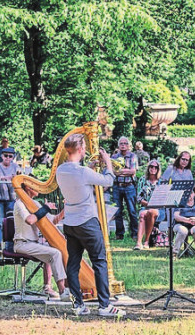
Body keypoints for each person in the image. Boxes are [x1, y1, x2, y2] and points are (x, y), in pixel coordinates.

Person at [56, 133, 125, 317]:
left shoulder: (61, 171)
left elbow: (77, 177)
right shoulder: (84, 172)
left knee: (73, 264)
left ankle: (78, 305)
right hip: (87, 221)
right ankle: (104, 306)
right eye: (85, 148)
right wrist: (108, 163)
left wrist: (89, 168)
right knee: (99, 262)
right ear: (80, 150)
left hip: (70, 223)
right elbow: (108, 181)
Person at [13, 184, 71, 301]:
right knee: (55, 253)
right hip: (22, 244)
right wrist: (45, 208)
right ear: (29, 188)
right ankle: (62, 291)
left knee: (57, 251)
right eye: (36, 186)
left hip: (32, 243)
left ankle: (64, 287)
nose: (39, 189)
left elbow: (53, 220)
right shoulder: (19, 204)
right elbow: (30, 220)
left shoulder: (35, 204)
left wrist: (66, 208)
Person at [0, 147, 20, 249]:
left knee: (11, 222)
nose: (8, 158)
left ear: (13, 157)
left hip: (11, 199)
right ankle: (0, 245)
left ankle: (9, 245)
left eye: (10, 156)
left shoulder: (16, 166)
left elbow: (19, 178)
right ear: (2, 156)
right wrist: (9, 178)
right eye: (5, 156)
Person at [134, 160, 166, 250]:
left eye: (156, 167)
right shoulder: (142, 180)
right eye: (151, 166)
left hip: (159, 209)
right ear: (148, 168)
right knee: (142, 214)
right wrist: (149, 204)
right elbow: (139, 198)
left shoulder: (162, 181)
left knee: (152, 212)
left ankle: (146, 241)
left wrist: (154, 204)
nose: (153, 169)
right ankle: (138, 243)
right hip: (146, 206)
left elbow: (164, 198)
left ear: (158, 169)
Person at [111, 136, 139, 240]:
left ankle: (135, 233)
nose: (123, 145)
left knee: (132, 211)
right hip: (117, 186)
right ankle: (119, 234)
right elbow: (113, 172)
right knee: (117, 211)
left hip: (129, 186)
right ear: (118, 145)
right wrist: (124, 172)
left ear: (129, 145)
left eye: (125, 143)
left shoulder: (132, 156)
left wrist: (119, 172)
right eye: (121, 143)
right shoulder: (114, 157)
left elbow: (133, 171)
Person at [172, 188, 195, 260]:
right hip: (180, 224)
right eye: (186, 192)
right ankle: (175, 253)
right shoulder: (180, 202)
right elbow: (176, 216)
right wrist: (187, 220)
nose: (189, 195)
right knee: (182, 230)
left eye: (191, 192)